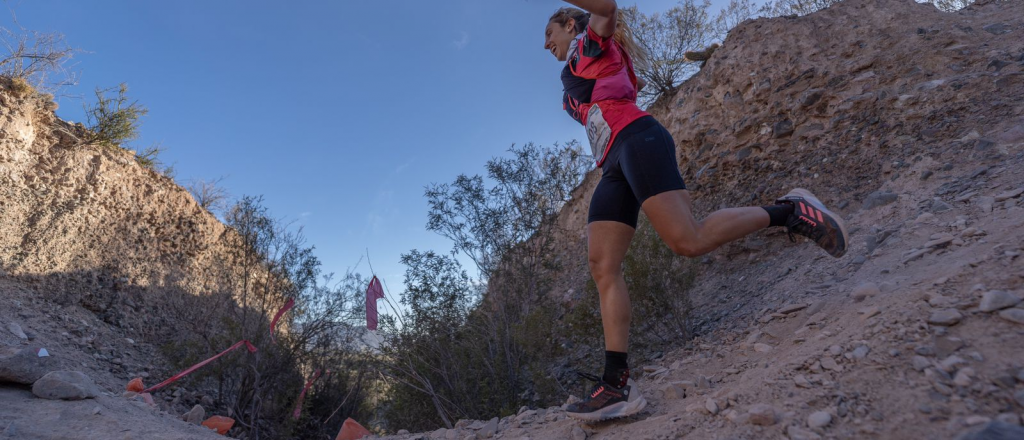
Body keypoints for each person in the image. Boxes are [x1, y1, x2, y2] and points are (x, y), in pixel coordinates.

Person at [543, 0, 849, 421]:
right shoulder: (574, 74)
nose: (546, 45)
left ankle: (791, 210)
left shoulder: (588, 44)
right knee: (602, 265)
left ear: (567, 23)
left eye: (549, 35)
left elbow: (607, 8)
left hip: (638, 140)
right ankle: (616, 386)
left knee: (688, 240)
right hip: (612, 161)